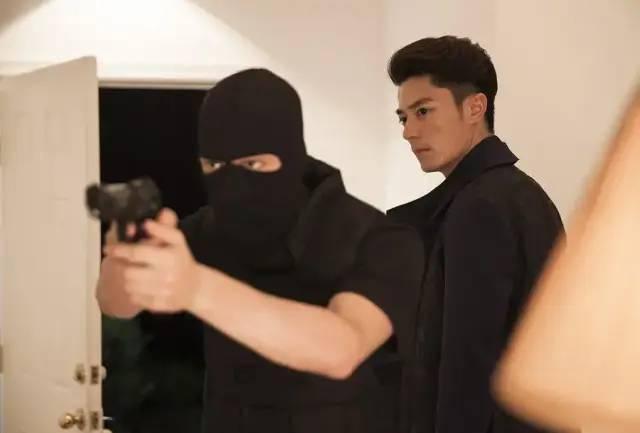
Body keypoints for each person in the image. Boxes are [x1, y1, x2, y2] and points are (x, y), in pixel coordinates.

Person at [97, 68, 424, 433]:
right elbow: (116, 305)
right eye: (214, 166)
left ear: (292, 155)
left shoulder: (380, 237)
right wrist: (124, 260)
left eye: (253, 164)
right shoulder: (207, 227)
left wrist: (195, 287)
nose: (232, 183)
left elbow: (341, 350)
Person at [386, 35, 565, 433]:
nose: (409, 132)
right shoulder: (517, 194)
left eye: (423, 111)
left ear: (475, 107)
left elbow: (467, 367)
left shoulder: (480, 206)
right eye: (403, 117)